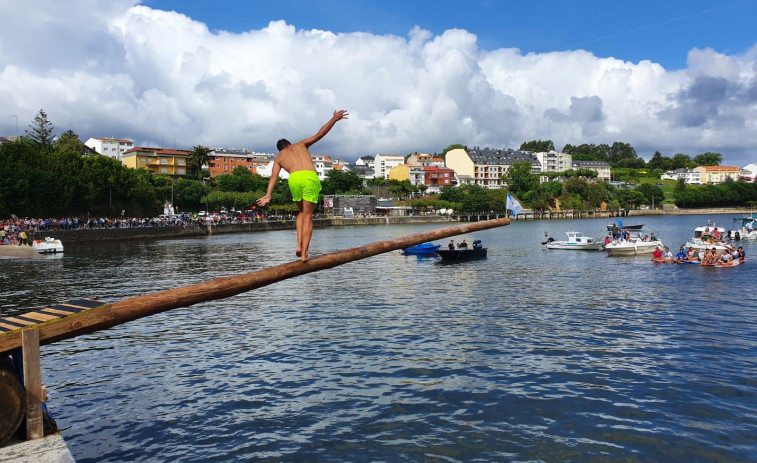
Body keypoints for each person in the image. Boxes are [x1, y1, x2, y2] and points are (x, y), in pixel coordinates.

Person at [256, 110, 349, 262]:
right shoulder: (301, 145)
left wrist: (268, 195)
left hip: (294, 179)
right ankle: (304, 255)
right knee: (308, 216)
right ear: (289, 144)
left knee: (300, 213)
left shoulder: (279, 158)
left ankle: (298, 245)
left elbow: (274, 177)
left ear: (280, 149)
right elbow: (320, 134)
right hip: (308, 177)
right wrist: (334, 119)